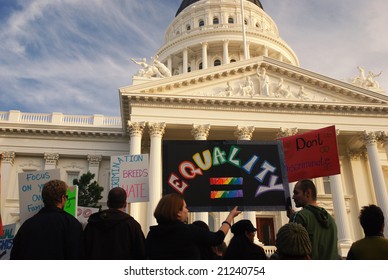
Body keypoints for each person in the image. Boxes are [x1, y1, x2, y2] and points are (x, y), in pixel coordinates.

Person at [146, 193, 241, 259]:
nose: (187, 210)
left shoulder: (152, 234)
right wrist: (230, 217)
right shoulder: (188, 231)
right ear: (178, 212)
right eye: (185, 207)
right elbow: (217, 238)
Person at [10, 179, 84, 259]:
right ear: (62, 198)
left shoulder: (27, 225)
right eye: (66, 197)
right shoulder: (72, 224)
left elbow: (15, 255)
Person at [83, 187, 146, 259]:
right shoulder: (132, 226)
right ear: (125, 204)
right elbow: (141, 254)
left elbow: (83, 251)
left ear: (108, 203)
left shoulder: (92, 224)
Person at [290, 179, 339, 259]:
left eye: (296, 193)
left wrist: (293, 220)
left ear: (308, 193)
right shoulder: (331, 220)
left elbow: (291, 250)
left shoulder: (300, 217)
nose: (293, 197)